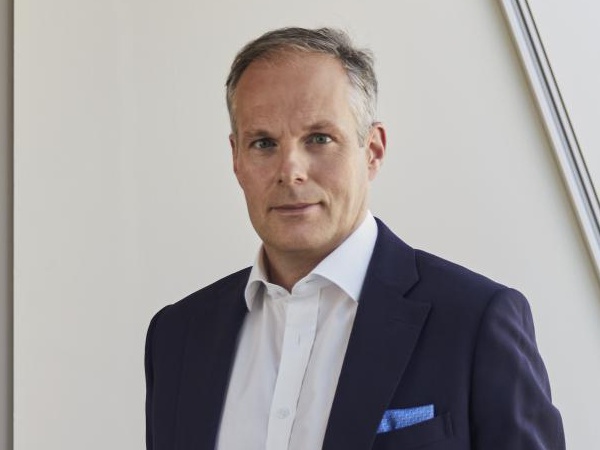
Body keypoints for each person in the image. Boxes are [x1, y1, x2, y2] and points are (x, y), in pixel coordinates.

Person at [145, 27, 565, 450]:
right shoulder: (177, 337)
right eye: (264, 143)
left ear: (373, 150)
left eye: (319, 139)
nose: (290, 171)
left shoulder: (474, 321)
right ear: (236, 158)